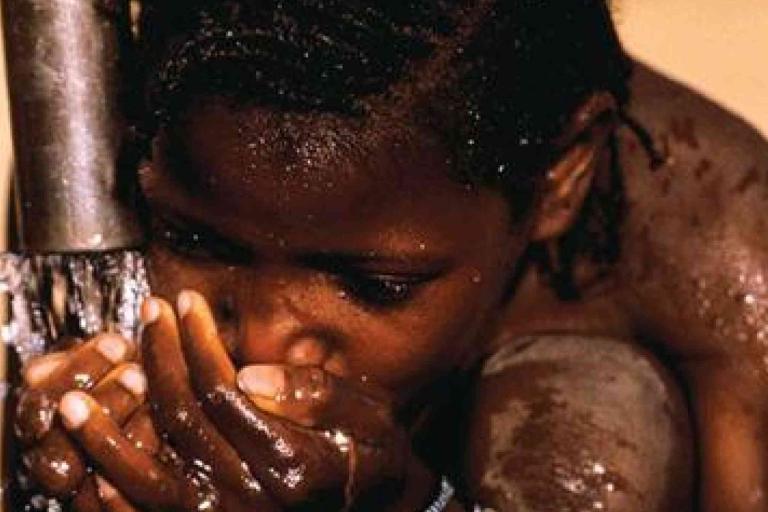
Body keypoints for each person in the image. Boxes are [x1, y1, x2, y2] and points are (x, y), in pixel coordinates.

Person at [11, 1, 768, 510]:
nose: (267, 342)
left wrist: (412, 501)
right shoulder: (108, 167)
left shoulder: (721, 247)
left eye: (374, 285)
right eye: (198, 242)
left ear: (562, 176)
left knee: (589, 409)